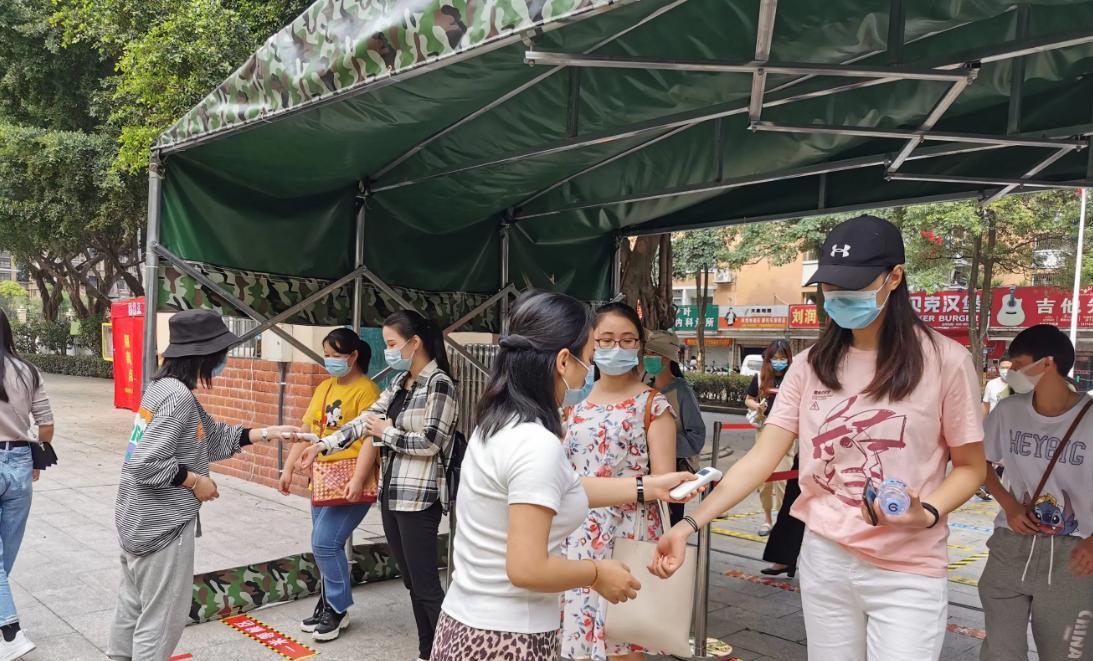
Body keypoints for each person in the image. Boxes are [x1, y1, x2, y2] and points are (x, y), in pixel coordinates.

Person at [651, 214, 987, 661]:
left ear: (894, 278)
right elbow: (761, 459)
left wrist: (926, 513)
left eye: (855, 284)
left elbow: (970, 467)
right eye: (832, 286)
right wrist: (691, 523)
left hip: (908, 567)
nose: (840, 296)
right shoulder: (810, 366)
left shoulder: (946, 361)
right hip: (825, 557)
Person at [432, 291, 698, 661]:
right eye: (590, 355)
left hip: (467, 622)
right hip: (509, 638)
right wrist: (595, 574)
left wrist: (650, 485)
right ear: (563, 361)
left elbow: (561, 487)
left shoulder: (496, 424)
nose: (589, 368)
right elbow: (527, 567)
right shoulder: (535, 442)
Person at [109, 310, 300, 661]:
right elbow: (145, 462)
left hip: (136, 518)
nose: (223, 361)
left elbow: (209, 438)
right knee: (162, 618)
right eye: (221, 354)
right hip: (161, 526)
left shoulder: (164, 389)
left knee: (133, 606)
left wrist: (265, 433)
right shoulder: (177, 398)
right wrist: (196, 482)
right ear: (205, 356)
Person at [303, 310, 457, 661]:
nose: (387, 351)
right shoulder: (400, 384)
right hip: (392, 494)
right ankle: (427, 649)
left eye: (391, 344)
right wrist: (322, 445)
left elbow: (432, 441)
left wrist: (386, 433)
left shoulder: (440, 384)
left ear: (414, 343)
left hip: (420, 497)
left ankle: (452, 649)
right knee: (411, 582)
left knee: (427, 585)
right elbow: (363, 422)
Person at [561, 302, 676, 661]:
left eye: (628, 340)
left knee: (622, 639)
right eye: (606, 339)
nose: (617, 348)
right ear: (591, 345)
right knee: (578, 634)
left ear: (640, 346)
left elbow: (665, 484)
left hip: (629, 534)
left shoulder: (653, 405)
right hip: (577, 535)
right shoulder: (574, 405)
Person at [978, 325, 1093, 661]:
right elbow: (979, 462)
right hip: (1010, 544)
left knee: (1067, 653)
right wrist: (1008, 504)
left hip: (1074, 556)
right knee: (1001, 651)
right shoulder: (1008, 412)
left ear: (1047, 363)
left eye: (1018, 364)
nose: (1011, 372)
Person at [277, 328, 380, 642]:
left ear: (353, 356)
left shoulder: (368, 391)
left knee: (324, 543)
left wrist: (359, 478)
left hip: (350, 480)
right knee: (323, 546)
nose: (330, 362)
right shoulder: (323, 387)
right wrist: (289, 467)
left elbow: (371, 440)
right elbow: (308, 431)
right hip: (321, 480)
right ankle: (327, 603)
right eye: (327, 356)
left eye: (336, 356)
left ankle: (337, 607)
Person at [0, 310, 53, 660]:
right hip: (20, 462)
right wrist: (37, 454)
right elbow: (46, 423)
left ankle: (10, 633)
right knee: (6, 553)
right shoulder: (27, 370)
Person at [644, 330, 706, 527]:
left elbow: (696, 438)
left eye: (654, 354)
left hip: (673, 475)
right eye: (647, 353)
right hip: (644, 474)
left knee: (668, 523)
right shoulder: (643, 386)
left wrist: (662, 443)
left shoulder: (682, 392)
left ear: (666, 358)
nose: (648, 358)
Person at [744, 340, 795, 536]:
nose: (779, 362)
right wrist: (756, 406)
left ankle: (781, 520)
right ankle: (767, 520)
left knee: (782, 479)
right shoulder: (760, 378)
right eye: (775, 358)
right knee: (764, 480)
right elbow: (748, 398)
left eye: (783, 358)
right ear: (768, 359)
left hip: (788, 433)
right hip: (764, 432)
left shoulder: (794, 378)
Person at [976, 358, 1014, 501]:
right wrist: (980, 425)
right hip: (993, 428)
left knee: (1006, 459)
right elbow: (985, 406)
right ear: (998, 368)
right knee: (988, 457)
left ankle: (991, 486)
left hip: (1011, 429)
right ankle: (985, 485)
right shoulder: (991, 384)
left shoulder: (1019, 386)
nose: (1006, 370)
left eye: (1009, 367)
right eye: (1003, 367)